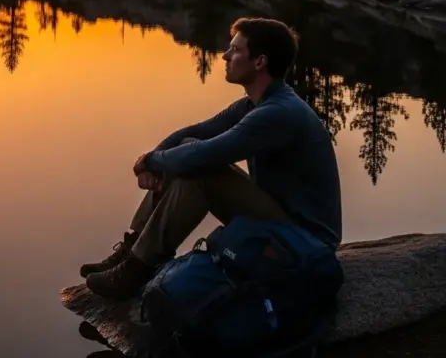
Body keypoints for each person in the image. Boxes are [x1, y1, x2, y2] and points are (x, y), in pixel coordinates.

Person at [81, 17, 342, 299]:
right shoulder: (255, 104)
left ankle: (139, 267)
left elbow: (207, 154)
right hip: (279, 220)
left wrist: (154, 161)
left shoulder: (278, 113)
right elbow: (195, 134)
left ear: (259, 62)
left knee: (201, 169)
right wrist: (152, 159)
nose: (225, 56)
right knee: (188, 148)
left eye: (235, 50)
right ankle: (134, 250)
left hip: (305, 242)